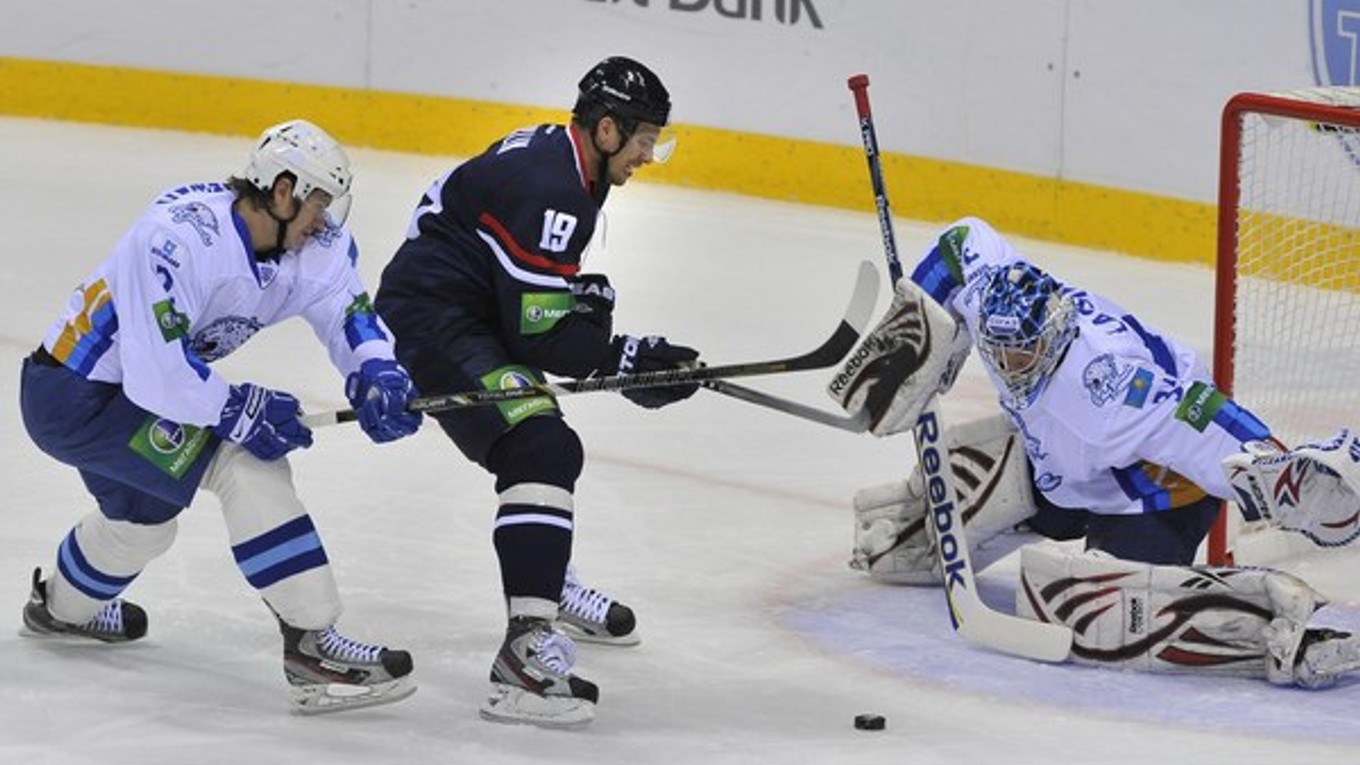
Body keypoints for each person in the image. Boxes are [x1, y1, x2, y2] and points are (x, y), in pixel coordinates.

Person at [830, 215, 1360, 688]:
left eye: (1024, 351)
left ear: (1056, 329)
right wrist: (912, 341)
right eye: (1001, 351)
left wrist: (1285, 473)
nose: (1012, 363)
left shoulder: (1106, 386)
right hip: (1062, 466)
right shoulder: (995, 293)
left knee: (1085, 614)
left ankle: (1278, 626)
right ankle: (969, 518)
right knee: (922, 519)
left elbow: (1199, 413)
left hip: (1151, 494)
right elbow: (961, 241)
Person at [19, 119, 424, 714]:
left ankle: (60, 609)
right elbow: (157, 374)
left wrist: (376, 369)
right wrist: (238, 411)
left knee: (144, 521)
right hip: (74, 398)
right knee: (243, 462)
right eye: (316, 201)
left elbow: (347, 311)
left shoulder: (311, 244)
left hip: (129, 397)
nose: (325, 219)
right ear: (282, 191)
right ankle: (312, 648)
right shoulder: (177, 239)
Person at [374, 56, 698, 728]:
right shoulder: (555, 186)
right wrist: (625, 358)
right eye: (642, 140)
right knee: (540, 446)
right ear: (607, 129)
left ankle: (544, 581)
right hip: (438, 322)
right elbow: (538, 340)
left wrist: (590, 322)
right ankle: (523, 658)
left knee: (543, 441)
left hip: (473, 306)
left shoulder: (569, 159)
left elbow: (531, 312)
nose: (647, 156)